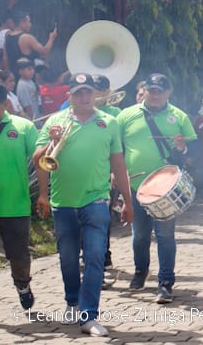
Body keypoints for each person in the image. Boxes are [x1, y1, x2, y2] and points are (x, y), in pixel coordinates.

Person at [32, 73, 133, 337]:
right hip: (62, 202)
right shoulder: (55, 121)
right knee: (67, 259)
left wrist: (127, 200)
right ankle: (71, 301)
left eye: (88, 92)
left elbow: (119, 164)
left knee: (95, 257)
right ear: (70, 96)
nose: (84, 97)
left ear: (96, 94)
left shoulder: (108, 123)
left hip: (96, 200)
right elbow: (37, 159)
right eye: (78, 93)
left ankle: (89, 316)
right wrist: (51, 143)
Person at [116, 73, 196, 304]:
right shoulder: (127, 115)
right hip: (135, 185)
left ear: (168, 92)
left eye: (160, 91)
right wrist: (115, 174)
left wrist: (182, 148)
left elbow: (194, 152)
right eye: (151, 90)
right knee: (139, 235)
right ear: (145, 90)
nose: (155, 95)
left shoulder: (179, 116)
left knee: (165, 236)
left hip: (166, 188)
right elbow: (116, 148)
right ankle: (140, 272)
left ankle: (165, 283)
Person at [0, 81, 39, 321]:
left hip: (15, 207)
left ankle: (22, 285)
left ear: (5, 104)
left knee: (19, 257)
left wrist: (43, 194)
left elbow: (41, 158)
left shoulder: (24, 127)